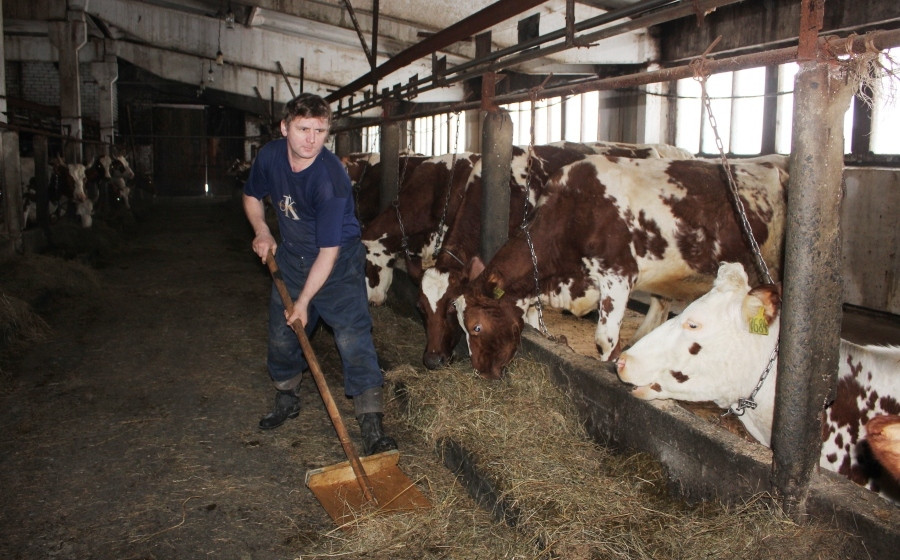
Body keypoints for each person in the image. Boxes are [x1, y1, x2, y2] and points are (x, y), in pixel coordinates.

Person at [242, 92, 397, 456]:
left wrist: (305, 302)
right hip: (292, 259)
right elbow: (251, 196)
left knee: (351, 337)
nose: (311, 139)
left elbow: (328, 252)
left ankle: (371, 422)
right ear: (285, 128)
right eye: (303, 128)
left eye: (320, 130)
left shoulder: (330, 178)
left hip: (338, 264)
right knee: (283, 335)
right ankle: (286, 396)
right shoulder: (269, 157)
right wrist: (262, 230)